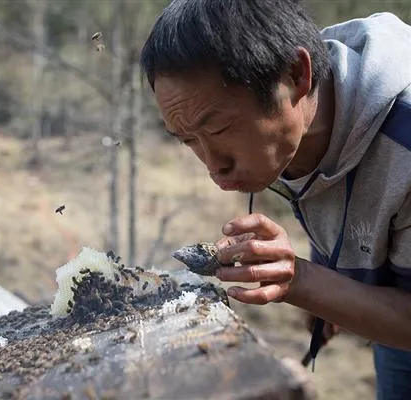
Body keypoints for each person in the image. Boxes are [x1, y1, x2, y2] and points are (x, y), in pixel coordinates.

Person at [140, 1, 411, 399]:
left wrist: (303, 281)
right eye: (189, 141)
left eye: (218, 127)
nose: (214, 166)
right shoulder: (303, 111)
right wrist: (333, 285)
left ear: (296, 76)